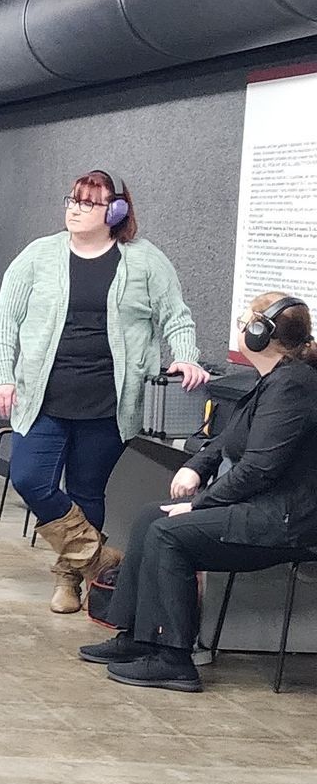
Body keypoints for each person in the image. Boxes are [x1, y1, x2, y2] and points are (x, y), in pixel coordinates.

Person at [0, 172, 207, 612]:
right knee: (30, 478)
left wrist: (186, 355)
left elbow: (175, 316)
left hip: (108, 402)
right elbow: (5, 321)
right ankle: (97, 560)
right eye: (72, 199)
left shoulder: (144, 261)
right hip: (43, 397)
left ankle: (69, 580)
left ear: (116, 211)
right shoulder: (38, 255)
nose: (74, 208)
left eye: (88, 203)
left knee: (88, 491)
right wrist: (2, 376)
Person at [82, 293, 317, 691]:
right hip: (265, 508)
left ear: (261, 335)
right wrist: (196, 466)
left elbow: (259, 469)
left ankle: (173, 658)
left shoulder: (293, 388)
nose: (241, 330)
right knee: (150, 516)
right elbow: (229, 439)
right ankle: (137, 637)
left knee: (168, 532)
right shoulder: (274, 381)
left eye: (245, 324)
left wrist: (197, 503)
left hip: (285, 520)